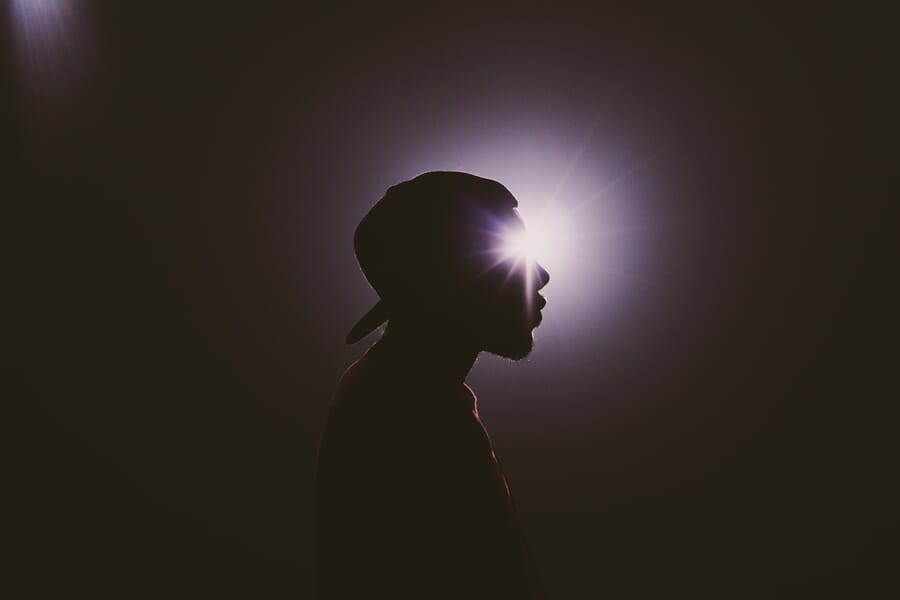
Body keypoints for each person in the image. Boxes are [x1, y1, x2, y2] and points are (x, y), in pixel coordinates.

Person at [314, 172, 550, 599]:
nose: (543, 275)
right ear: (452, 280)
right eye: (512, 255)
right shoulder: (409, 416)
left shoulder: (397, 392)